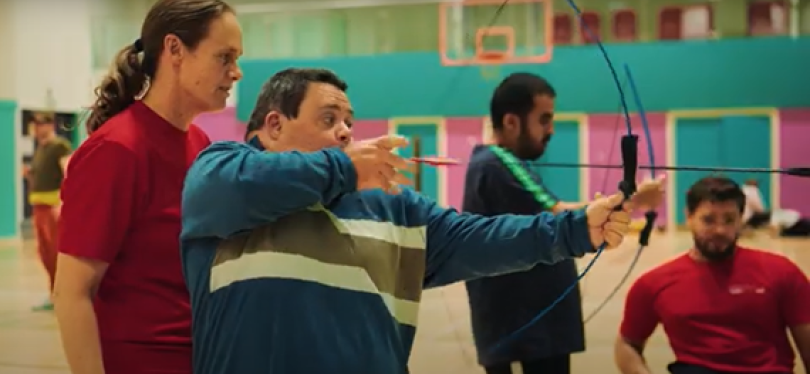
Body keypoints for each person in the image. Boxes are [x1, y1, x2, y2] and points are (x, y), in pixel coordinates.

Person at [179, 68, 664, 374]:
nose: (346, 130)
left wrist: (579, 228)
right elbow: (235, 185)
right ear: (274, 126)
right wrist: (346, 168)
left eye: (349, 120)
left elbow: (480, 235)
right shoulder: (224, 173)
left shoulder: (395, 206)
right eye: (328, 119)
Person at [52, 1, 242, 373]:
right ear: (174, 50)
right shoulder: (117, 150)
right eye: (224, 57)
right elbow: (72, 293)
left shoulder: (200, 144)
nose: (236, 73)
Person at [461, 73, 663, 374]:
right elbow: (559, 214)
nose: (551, 130)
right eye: (543, 120)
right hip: (527, 324)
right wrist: (632, 199)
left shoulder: (498, 164)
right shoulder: (497, 163)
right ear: (511, 122)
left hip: (524, 323)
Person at [615, 176, 810, 374]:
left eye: (729, 220)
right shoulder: (653, 284)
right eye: (708, 220)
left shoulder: (782, 272)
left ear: (741, 219)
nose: (720, 230)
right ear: (689, 217)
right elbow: (627, 344)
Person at [24, 112, 72, 311]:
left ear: (50, 125)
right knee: (44, 254)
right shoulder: (40, 150)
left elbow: (68, 170)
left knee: (55, 252)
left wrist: (64, 203)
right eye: (35, 125)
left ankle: (62, 293)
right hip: (38, 207)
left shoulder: (59, 146)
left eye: (41, 124)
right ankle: (53, 293)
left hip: (53, 207)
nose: (37, 128)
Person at [742, 179, 810, 237]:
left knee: (784, 234)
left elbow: (773, 229)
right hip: (800, 221)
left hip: (798, 223)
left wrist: (768, 235)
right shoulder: (752, 191)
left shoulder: (775, 216)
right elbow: (759, 208)